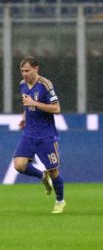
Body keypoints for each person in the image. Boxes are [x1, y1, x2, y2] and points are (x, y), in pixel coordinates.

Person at [13, 56, 65, 214]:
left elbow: (56, 109)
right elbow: (27, 106)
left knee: (54, 171)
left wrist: (34, 104)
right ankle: (42, 176)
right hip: (29, 133)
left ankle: (60, 201)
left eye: (27, 70)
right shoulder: (23, 85)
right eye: (22, 71)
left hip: (46, 135)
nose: (24, 74)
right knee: (19, 165)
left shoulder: (45, 85)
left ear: (36, 69)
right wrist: (24, 117)